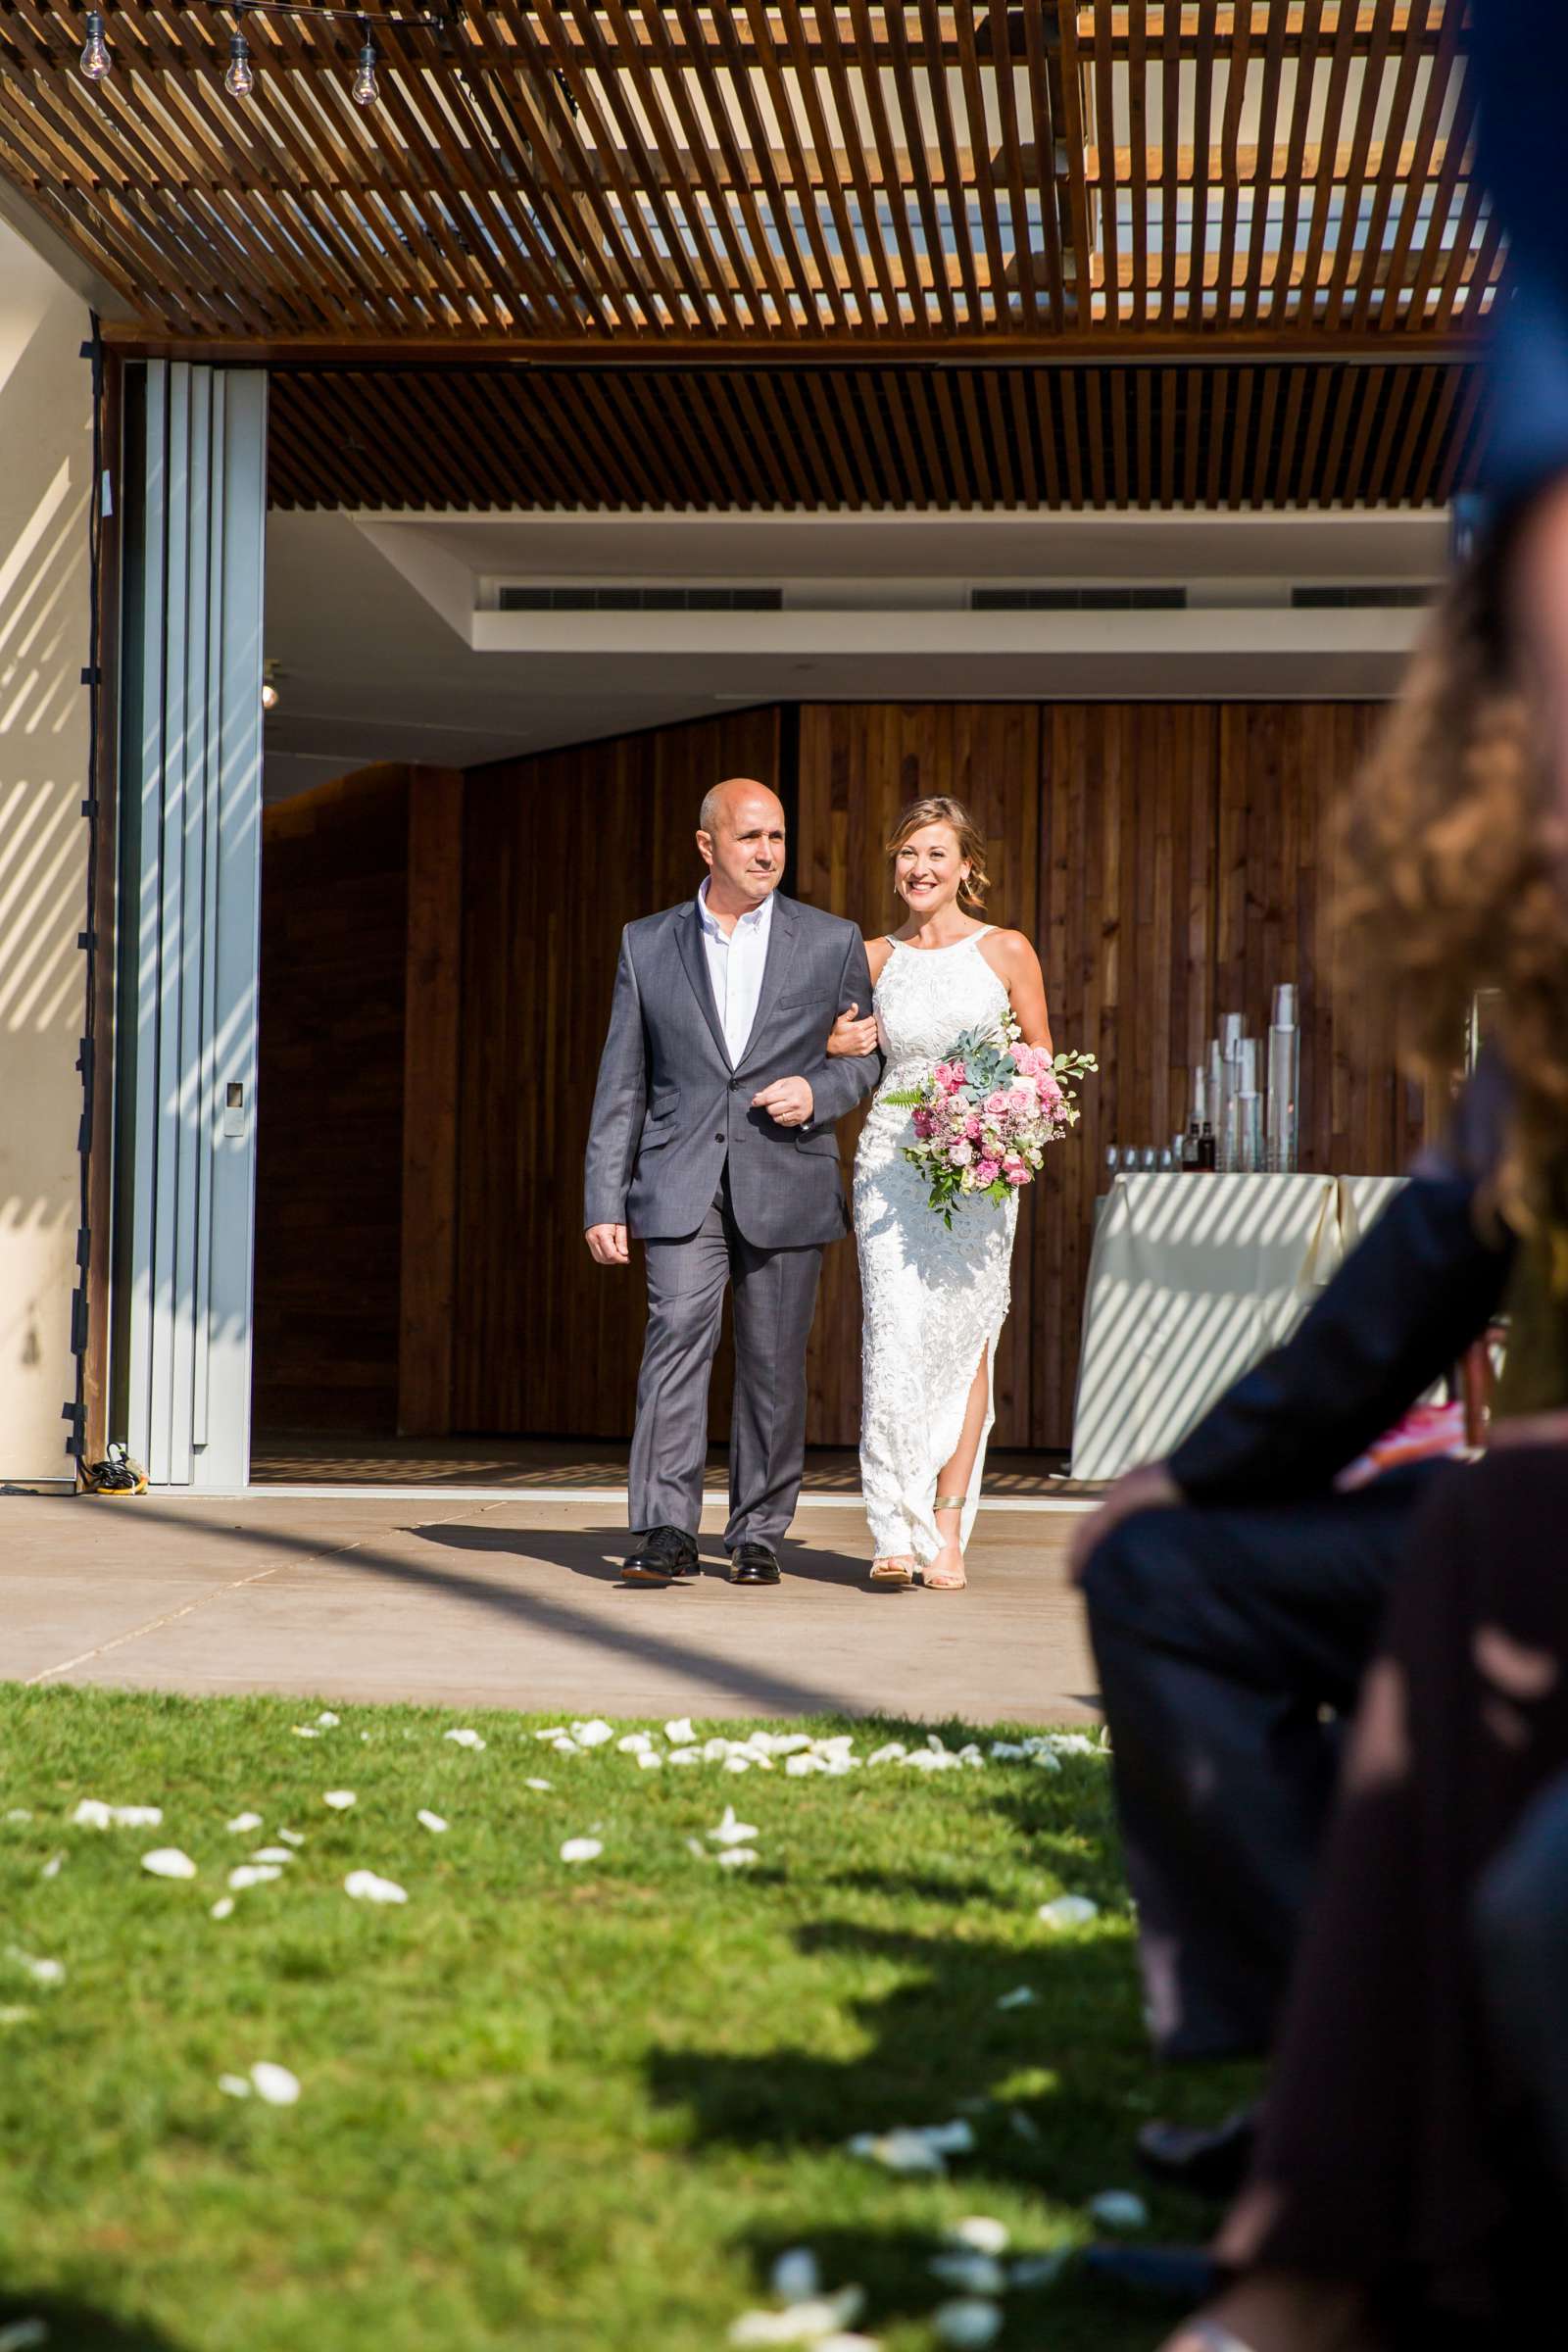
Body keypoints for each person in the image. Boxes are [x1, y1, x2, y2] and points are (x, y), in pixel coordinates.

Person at [1068, 554, 1529, 2167]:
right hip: (1522, 1525)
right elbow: (1401, 1299)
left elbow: (1400, 1297)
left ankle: (1360, 2092)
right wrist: (1183, 1479)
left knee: (1207, 1577)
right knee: (1170, 1574)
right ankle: (1335, 2071)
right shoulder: (1539, 1004)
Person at [583, 777, 881, 1589]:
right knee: (675, 1339)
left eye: (778, 837)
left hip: (787, 1176)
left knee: (774, 1362)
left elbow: (868, 1059)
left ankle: (757, 1532)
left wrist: (819, 1091)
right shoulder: (646, 943)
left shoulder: (831, 940)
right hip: (680, 1180)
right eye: (751, 837)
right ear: (707, 845)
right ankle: (666, 1529)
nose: (768, 852)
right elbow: (623, 1081)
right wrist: (604, 1198)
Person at [825, 797, 1053, 1591]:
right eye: (906, 854)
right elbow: (834, 1047)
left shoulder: (1006, 950)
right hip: (890, 1166)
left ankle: (948, 1532)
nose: (918, 869)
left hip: (977, 1173)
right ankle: (893, 1529)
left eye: (935, 855)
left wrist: (1002, 1123)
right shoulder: (872, 956)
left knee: (963, 1345)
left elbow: (1040, 1061)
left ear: (966, 867)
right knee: (893, 1338)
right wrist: (833, 1040)